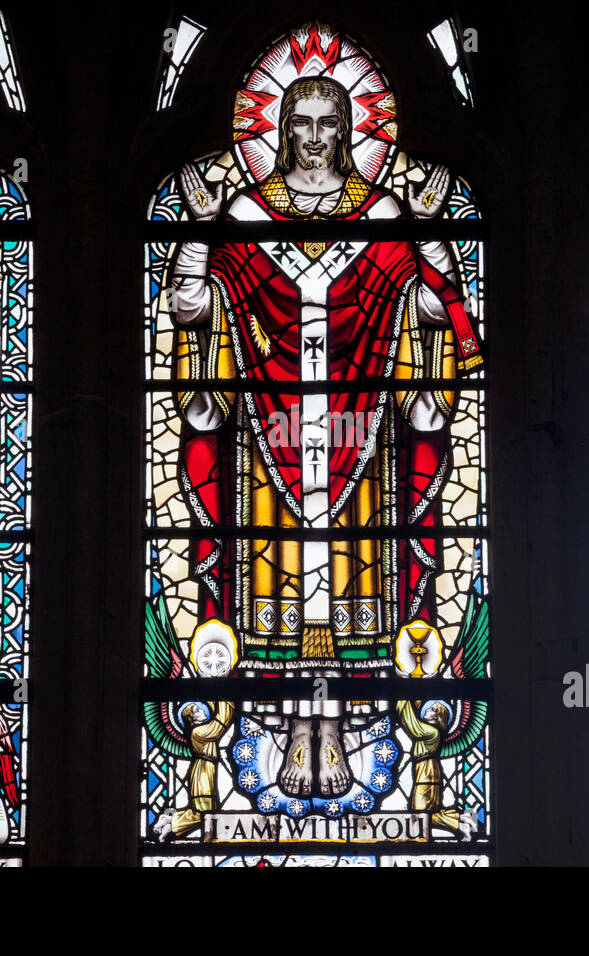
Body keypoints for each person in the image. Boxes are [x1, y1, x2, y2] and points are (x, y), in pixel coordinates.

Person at [171, 75, 481, 798]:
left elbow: (436, 309)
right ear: (283, 129)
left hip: (362, 440)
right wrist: (199, 232)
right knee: (269, 572)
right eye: (301, 121)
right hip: (266, 440)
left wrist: (427, 231)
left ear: (346, 130)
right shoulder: (244, 216)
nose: (314, 136)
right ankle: (284, 723)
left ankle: (340, 724)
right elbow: (191, 307)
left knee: (355, 572)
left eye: (328, 122)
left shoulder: (383, 215)